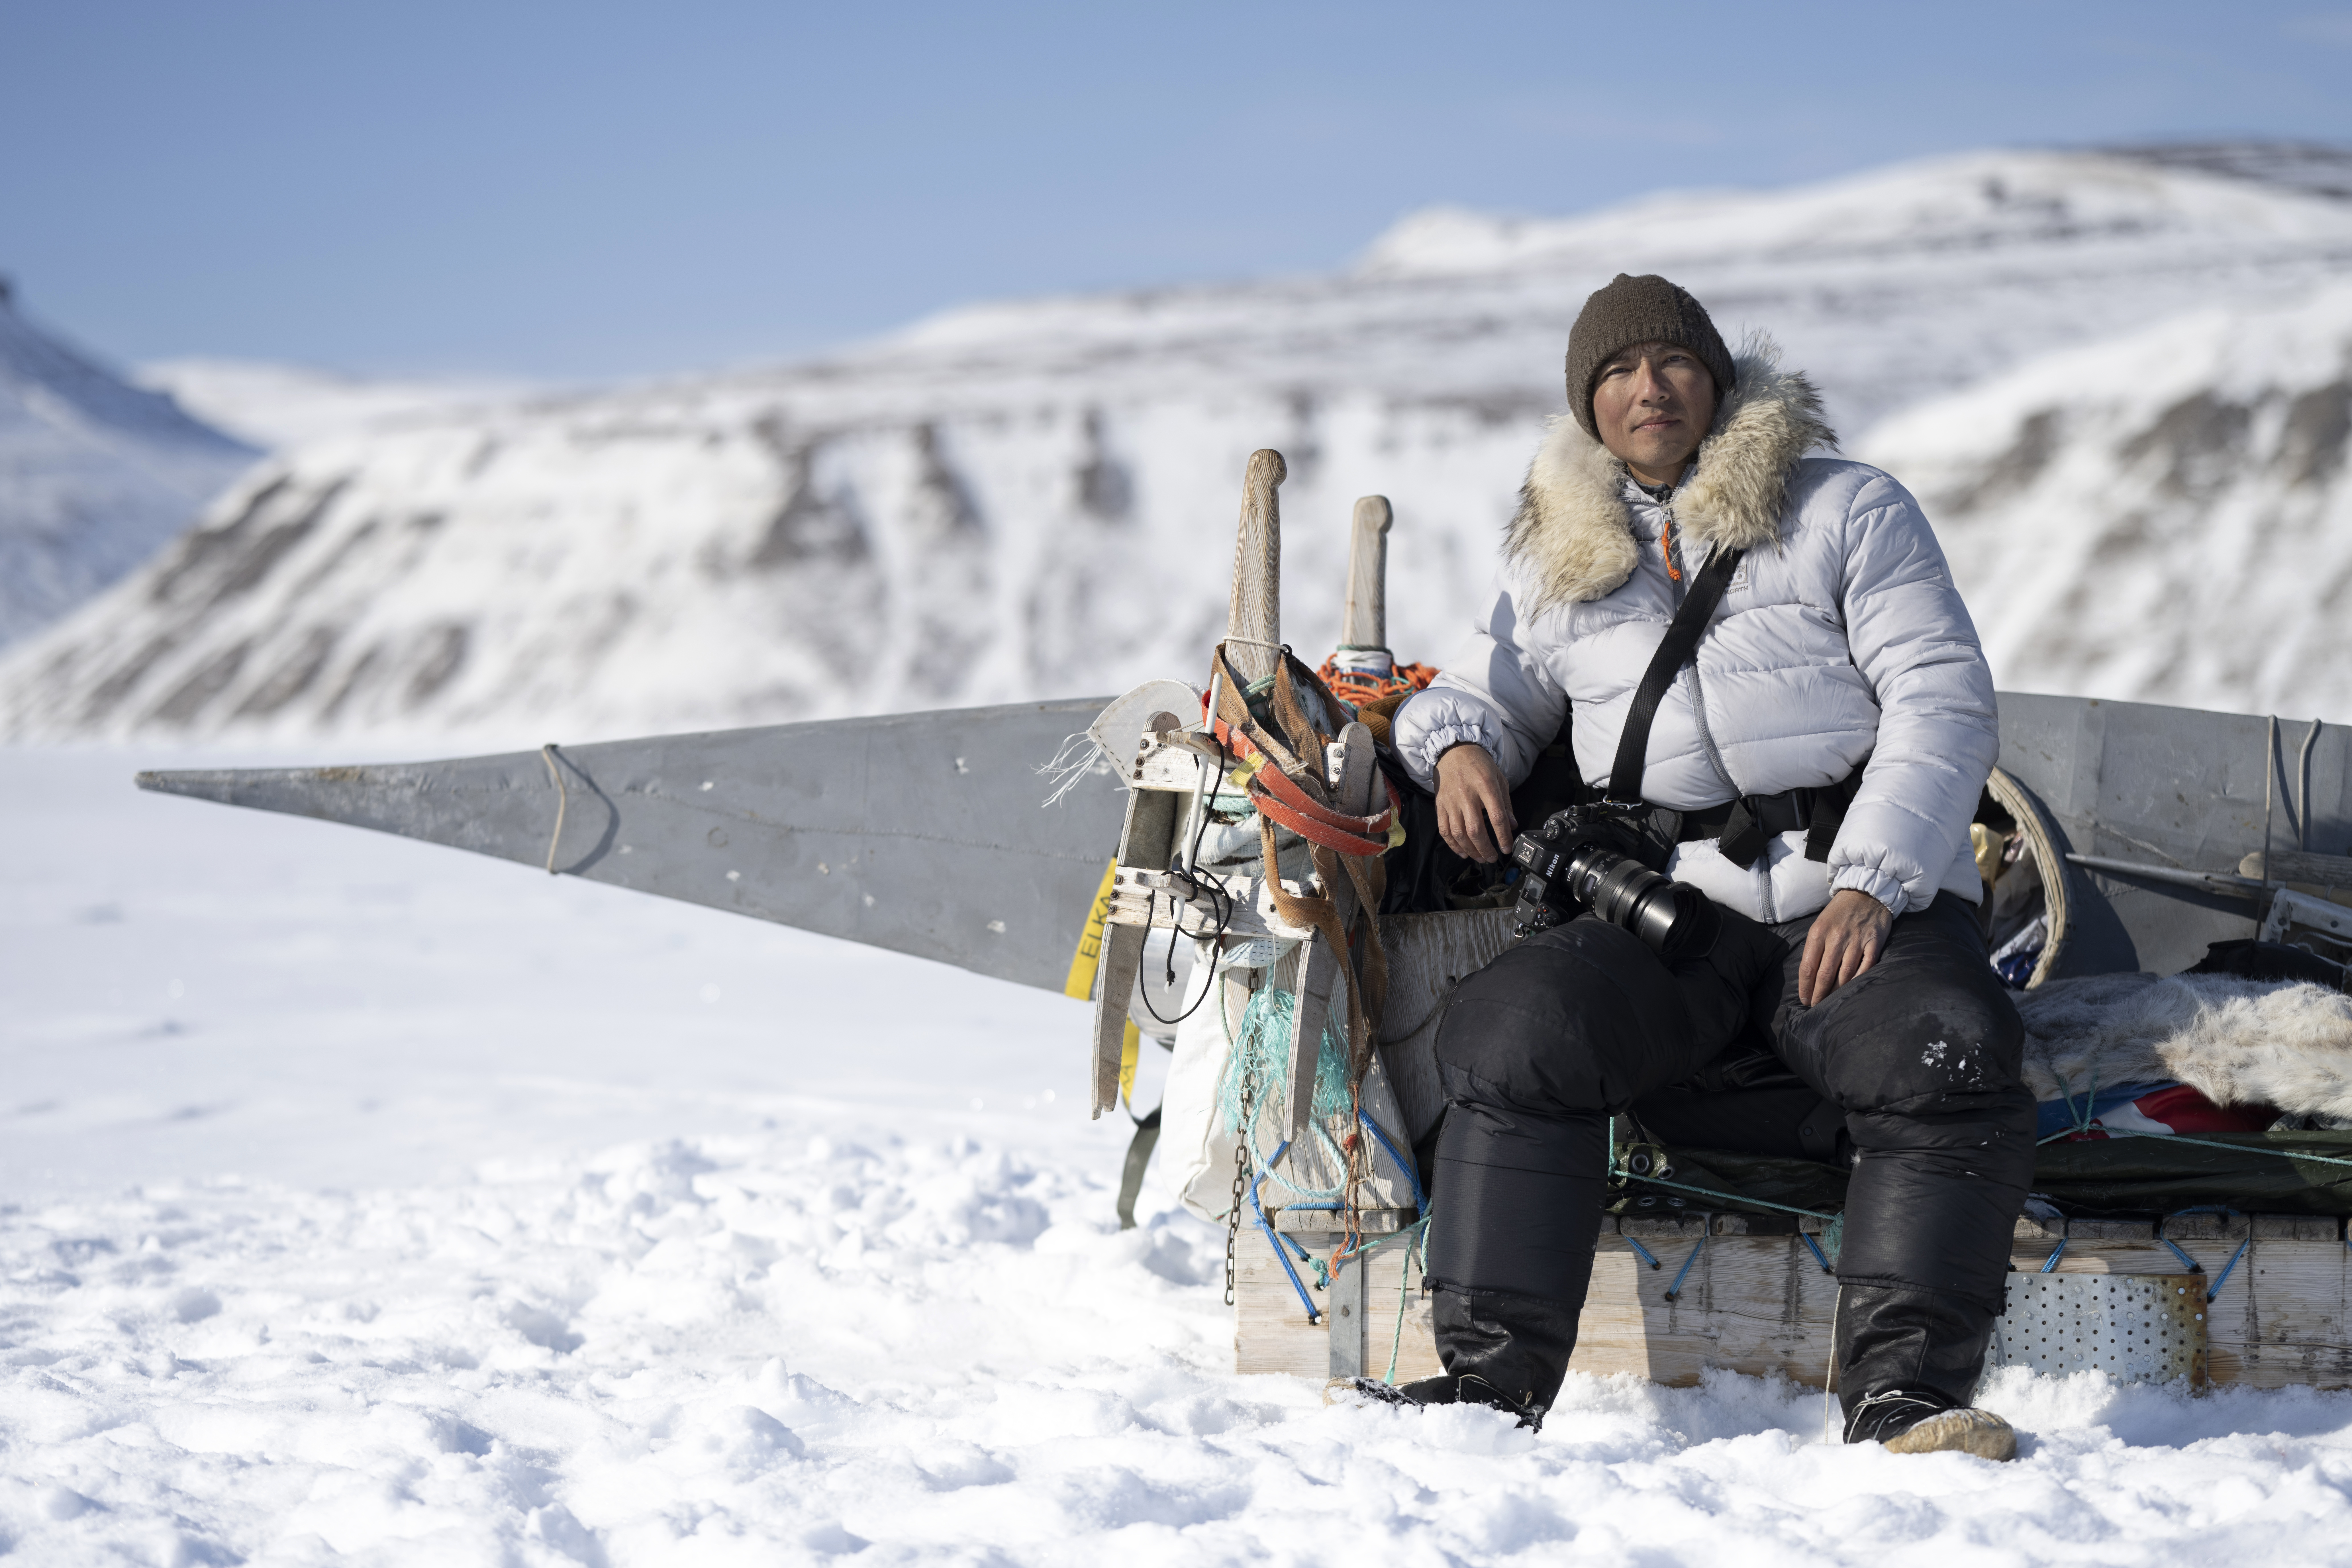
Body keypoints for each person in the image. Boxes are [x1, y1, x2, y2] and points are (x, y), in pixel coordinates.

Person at [1368, 273, 2033, 1459]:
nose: (1648, 388)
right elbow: (1488, 692)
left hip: (1864, 891)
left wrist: (1872, 879)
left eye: (1672, 362)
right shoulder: (1557, 558)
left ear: (1719, 381)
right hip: (1678, 910)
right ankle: (1486, 1387)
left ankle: (1904, 1399)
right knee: (1510, 1031)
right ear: (1589, 405)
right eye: (1617, 373)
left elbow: (1941, 695)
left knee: (1946, 1049)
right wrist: (1456, 743)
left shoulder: (1846, 509)